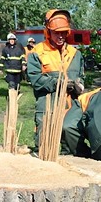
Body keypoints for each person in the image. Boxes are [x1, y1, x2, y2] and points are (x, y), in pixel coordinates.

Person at [27, 9, 84, 151]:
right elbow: (35, 79)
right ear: (48, 31)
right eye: (56, 33)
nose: (60, 36)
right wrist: (58, 83)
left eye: (63, 32)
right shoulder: (37, 52)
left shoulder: (75, 54)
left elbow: (81, 77)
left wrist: (79, 86)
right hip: (47, 104)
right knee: (43, 148)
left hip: (70, 106)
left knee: (71, 141)